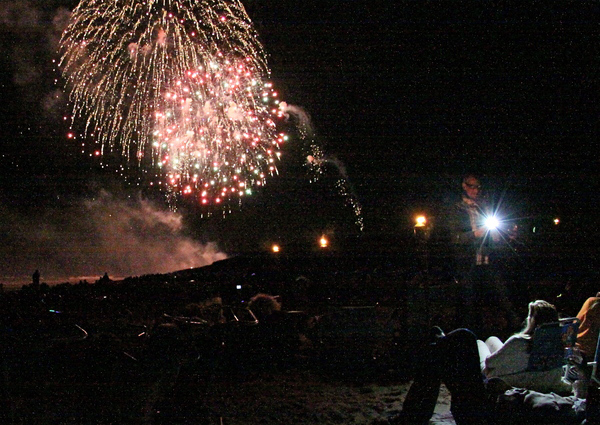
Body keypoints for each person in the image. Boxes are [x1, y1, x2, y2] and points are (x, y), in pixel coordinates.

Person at [392, 300, 576, 425]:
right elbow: (560, 383)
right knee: (490, 339)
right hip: (515, 375)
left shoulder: (520, 343)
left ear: (533, 321)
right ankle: (440, 340)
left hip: (492, 382)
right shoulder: (560, 351)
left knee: (472, 340)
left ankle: (439, 339)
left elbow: (489, 367)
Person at [477, 300, 572, 394]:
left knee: (480, 343)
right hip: (544, 381)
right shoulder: (559, 343)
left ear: (533, 320)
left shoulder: (519, 341)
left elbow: (490, 363)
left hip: (506, 378)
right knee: (492, 339)